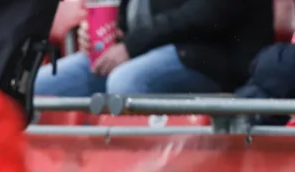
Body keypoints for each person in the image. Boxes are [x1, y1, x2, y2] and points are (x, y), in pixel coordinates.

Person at [33, 0, 274, 96]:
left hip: (211, 59)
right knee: (36, 88)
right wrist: (109, 34)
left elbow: (205, 15)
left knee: (125, 82)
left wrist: (131, 45)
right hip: (143, 50)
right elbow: (136, 18)